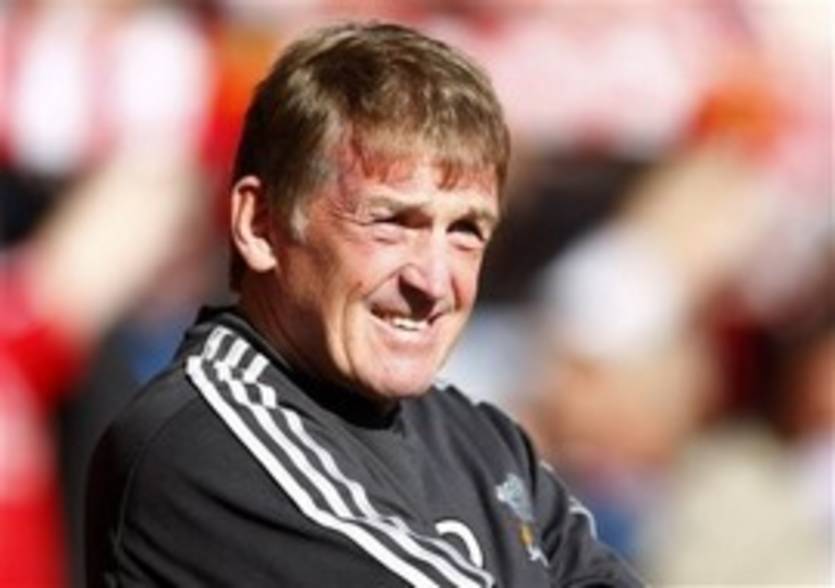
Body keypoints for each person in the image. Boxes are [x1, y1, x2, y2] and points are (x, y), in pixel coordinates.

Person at [85, 21, 642, 587]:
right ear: (260, 225)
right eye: (391, 222)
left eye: (466, 231)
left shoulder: (481, 441)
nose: (434, 280)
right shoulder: (201, 446)